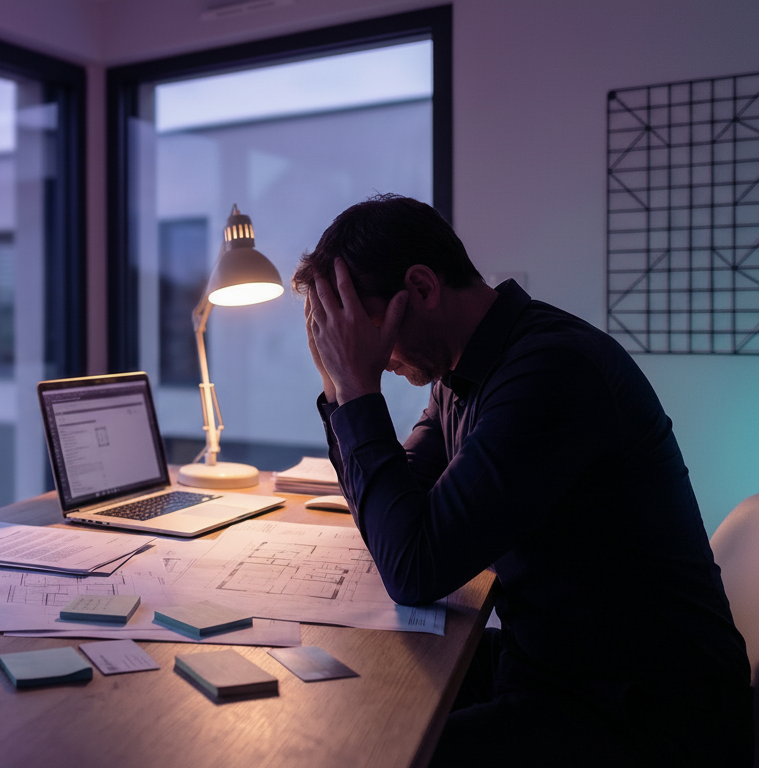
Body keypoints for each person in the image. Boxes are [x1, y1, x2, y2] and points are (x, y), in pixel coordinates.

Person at [293, 194, 752, 767]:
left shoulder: (550, 371)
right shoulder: (463, 372)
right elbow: (400, 510)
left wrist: (358, 391)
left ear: (423, 288)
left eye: (366, 332)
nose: (377, 357)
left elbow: (413, 565)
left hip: (649, 715)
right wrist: (340, 390)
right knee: (356, 699)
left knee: (375, 750)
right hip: (554, 663)